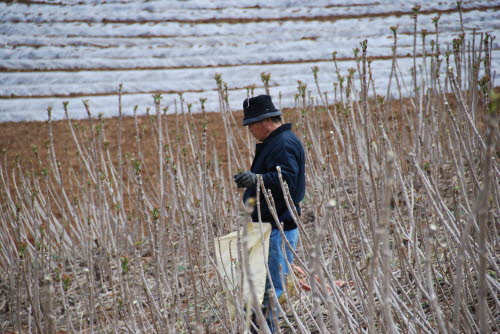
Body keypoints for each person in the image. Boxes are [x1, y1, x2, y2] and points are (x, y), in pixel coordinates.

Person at [234, 94, 306, 332]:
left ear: (265, 120)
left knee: (271, 291)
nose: (250, 130)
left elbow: (287, 179)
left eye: (251, 124)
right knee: (264, 289)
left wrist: (257, 178)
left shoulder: (282, 143)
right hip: (272, 227)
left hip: (278, 227)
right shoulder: (278, 141)